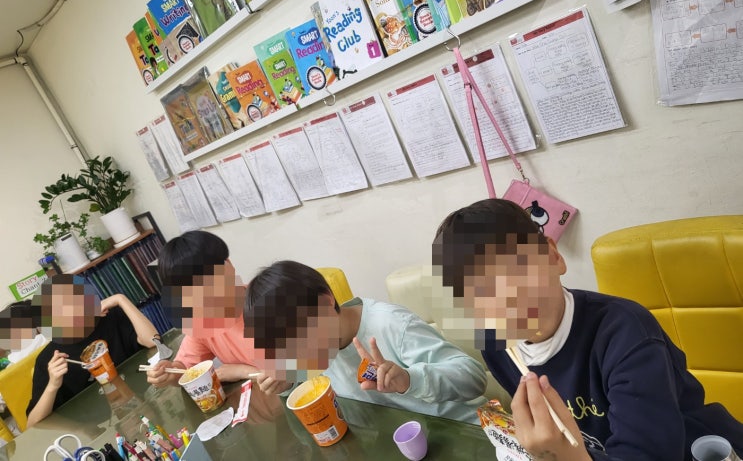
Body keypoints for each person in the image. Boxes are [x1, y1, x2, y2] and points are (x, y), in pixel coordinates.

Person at [432, 198, 743, 461]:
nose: (507, 298)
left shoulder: (625, 333)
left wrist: (566, 456)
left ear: (553, 256)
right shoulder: (497, 345)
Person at [243, 260, 487, 424]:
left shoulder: (391, 324)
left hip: (466, 432)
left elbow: (474, 378)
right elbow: (308, 387)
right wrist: (287, 382)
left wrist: (410, 379)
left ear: (326, 301)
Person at [26, 275, 157, 427]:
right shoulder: (49, 358)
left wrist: (120, 299)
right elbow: (33, 423)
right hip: (104, 427)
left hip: (146, 398)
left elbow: (153, 341)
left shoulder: (111, 317)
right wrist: (53, 385)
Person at [146, 230, 262, 388]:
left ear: (228, 264)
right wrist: (170, 373)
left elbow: (294, 372)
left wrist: (242, 372)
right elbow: (186, 369)